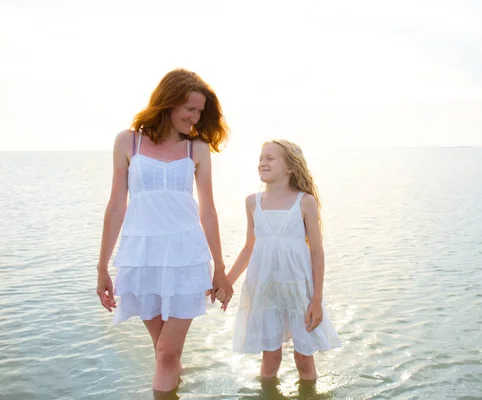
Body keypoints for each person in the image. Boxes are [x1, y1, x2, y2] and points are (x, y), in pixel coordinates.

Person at [95, 68, 234, 393]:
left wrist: (220, 267)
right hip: (142, 258)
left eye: (200, 111)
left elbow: (208, 210)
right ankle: (179, 386)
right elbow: (116, 204)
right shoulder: (128, 141)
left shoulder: (196, 149)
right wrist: (102, 266)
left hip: (186, 258)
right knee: (164, 354)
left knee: (167, 352)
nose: (196, 117)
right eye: (190, 110)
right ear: (168, 104)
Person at [218, 139, 340, 382]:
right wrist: (227, 281)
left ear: (290, 167)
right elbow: (248, 247)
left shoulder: (305, 202)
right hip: (265, 289)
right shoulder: (252, 202)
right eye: (261, 158)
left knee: (304, 359)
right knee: (270, 358)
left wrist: (316, 299)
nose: (262, 162)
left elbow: (316, 251)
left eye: (270, 158)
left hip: (298, 290)